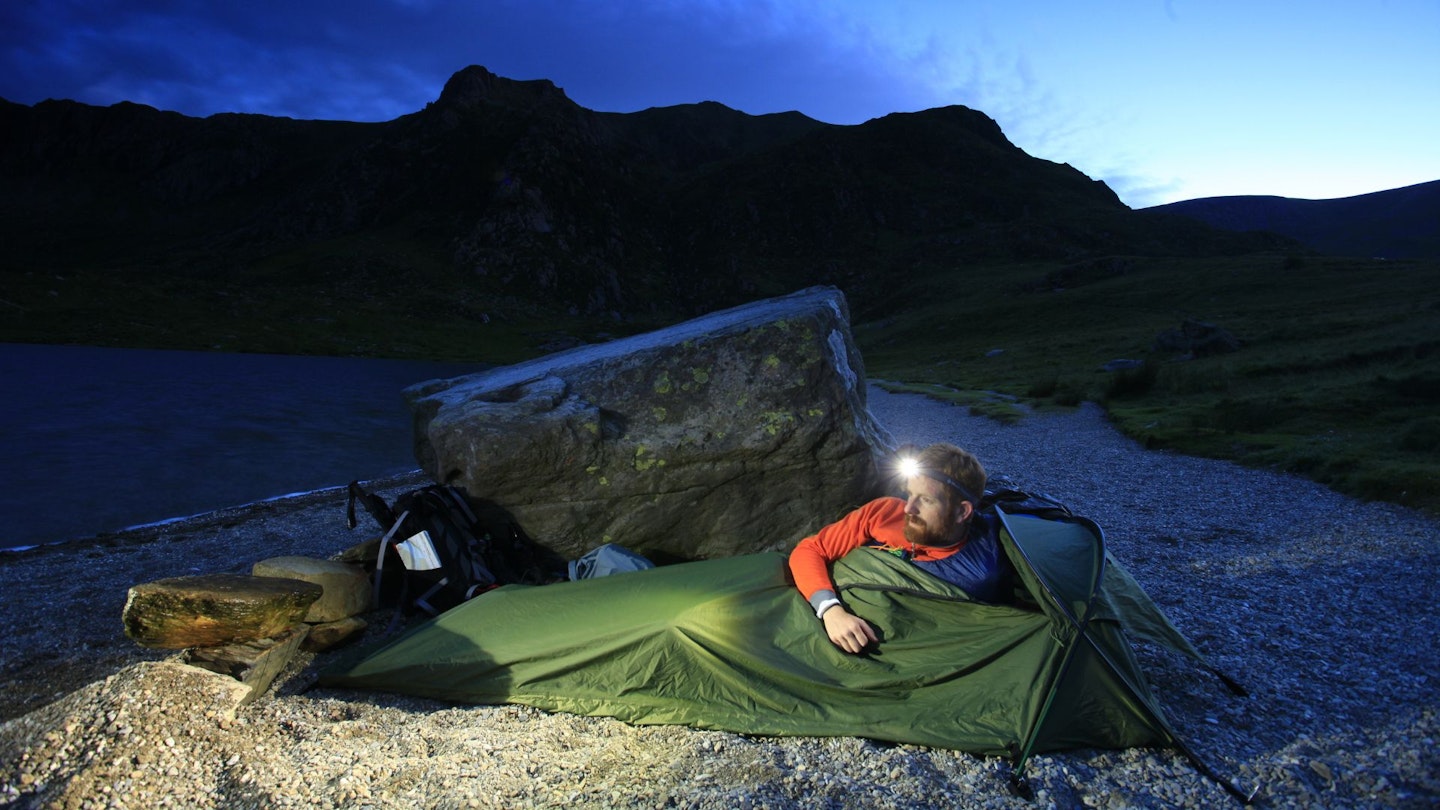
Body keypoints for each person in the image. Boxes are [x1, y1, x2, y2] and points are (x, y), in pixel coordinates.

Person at [788, 442, 1013, 654]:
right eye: (909, 494)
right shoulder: (884, 513)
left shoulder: (981, 568)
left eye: (925, 500)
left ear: (962, 512)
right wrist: (830, 609)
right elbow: (810, 549)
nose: (908, 508)